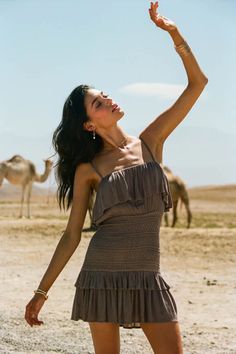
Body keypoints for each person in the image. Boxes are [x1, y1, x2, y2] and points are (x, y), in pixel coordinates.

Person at [25, 2, 208, 353]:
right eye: (97, 102)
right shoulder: (88, 170)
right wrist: (41, 292)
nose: (107, 99)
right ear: (89, 125)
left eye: (104, 94)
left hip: (148, 275)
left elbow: (197, 84)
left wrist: (174, 33)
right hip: (101, 275)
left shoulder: (151, 142)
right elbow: (71, 235)